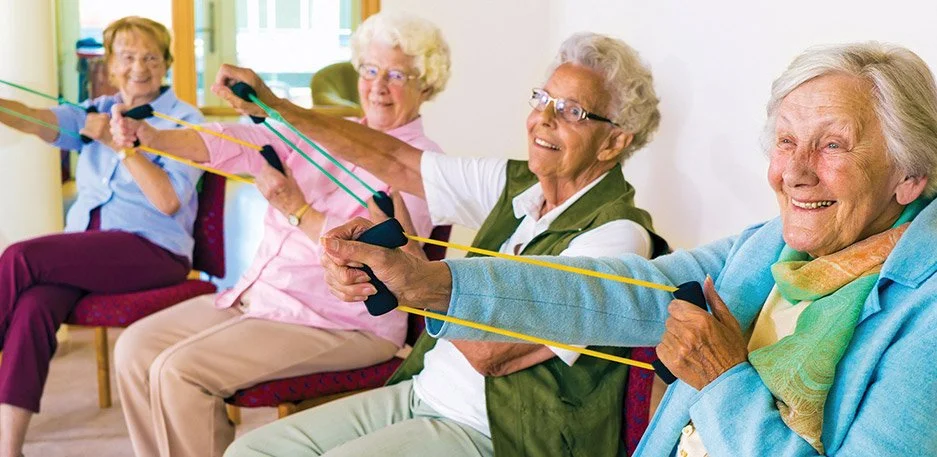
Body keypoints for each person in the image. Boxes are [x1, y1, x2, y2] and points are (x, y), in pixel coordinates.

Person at [320, 42, 937, 456]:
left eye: (833, 145)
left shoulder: (925, 309)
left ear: (908, 175)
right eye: (785, 141)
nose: (794, 173)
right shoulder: (770, 244)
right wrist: (429, 284)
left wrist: (724, 380)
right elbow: (615, 290)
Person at [217, 32, 669, 457]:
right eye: (542, 99)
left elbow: (493, 354)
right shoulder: (517, 184)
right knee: (250, 449)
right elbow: (394, 158)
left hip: (498, 429)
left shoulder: (616, 237)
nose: (543, 119)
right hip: (422, 391)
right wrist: (277, 108)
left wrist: (414, 279)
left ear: (614, 141)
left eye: (571, 111)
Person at [107, 11, 450, 457]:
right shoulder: (330, 132)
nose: (378, 86)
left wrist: (297, 210)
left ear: (427, 84)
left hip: (340, 323)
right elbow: (236, 143)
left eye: (397, 74)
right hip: (262, 297)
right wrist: (152, 138)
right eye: (370, 70)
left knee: (177, 370)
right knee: (135, 349)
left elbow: (378, 262)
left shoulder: (422, 164)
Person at [0, 16, 202, 457]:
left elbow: (168, 201)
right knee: (34, 306)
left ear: (166, 63)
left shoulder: (186, 120)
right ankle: (8, 448)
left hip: (153, 250)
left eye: (150, 57)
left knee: (19, 256)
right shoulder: (94, 109)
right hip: (88, 254)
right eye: (127, 57)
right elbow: (33, 119)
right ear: (110, 65)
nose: (139, 67)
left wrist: (119, 144)